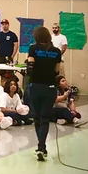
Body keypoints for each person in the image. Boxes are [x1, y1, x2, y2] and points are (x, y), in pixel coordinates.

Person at [26, 26, 62, 161]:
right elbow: (57, 71)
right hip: (50, 87)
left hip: (35, 86)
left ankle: (41, 147)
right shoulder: (56, 51)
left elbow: (30, 68)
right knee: (45, 118)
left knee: (37, 118)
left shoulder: (33, 49)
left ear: (36, 37)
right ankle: (42, 147)